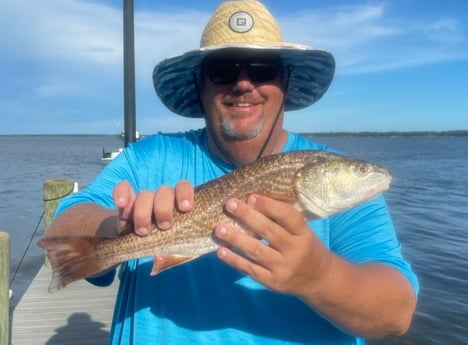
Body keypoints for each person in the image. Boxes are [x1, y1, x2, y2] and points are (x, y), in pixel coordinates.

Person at [46, 1, 418, 344]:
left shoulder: (343, 186)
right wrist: (119, 226)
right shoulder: (149, 156)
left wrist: (319, 276)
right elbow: (63, 227)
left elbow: (396, 313)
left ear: (285, 82)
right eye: (222, 70)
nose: (243, 84)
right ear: (199, 85)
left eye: (263, 69)